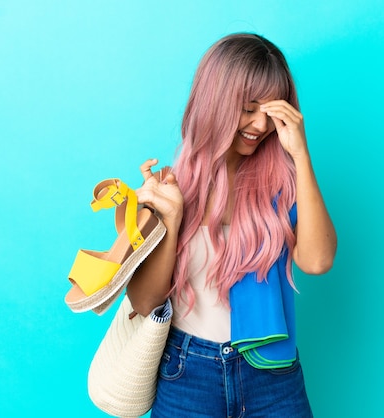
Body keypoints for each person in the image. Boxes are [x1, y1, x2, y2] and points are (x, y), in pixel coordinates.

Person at [127, 33, 337, 417]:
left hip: (272, 374)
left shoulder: (283, 185)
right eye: (247, 107)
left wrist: (300, 155)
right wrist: (171, 220)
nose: (260, 124)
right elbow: (144, 302)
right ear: (215, 102)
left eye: (271, 111)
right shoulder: (168, 188)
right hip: (186, 372)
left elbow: (318, 261)